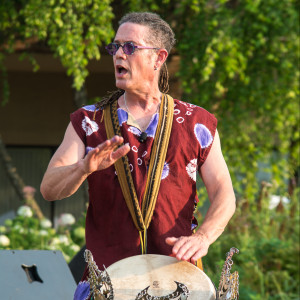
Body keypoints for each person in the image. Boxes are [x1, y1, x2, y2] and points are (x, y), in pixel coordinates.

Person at [40, 12, 236, 280]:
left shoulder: (197, 123)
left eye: (130, 47)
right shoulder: (88, 121)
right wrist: (82, 168)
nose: (119, 54)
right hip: (107, 281)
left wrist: (203, 237)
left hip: (177, 279)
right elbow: (49, 188)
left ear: (159, 58)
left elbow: (224, 193)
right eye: (115, 47)